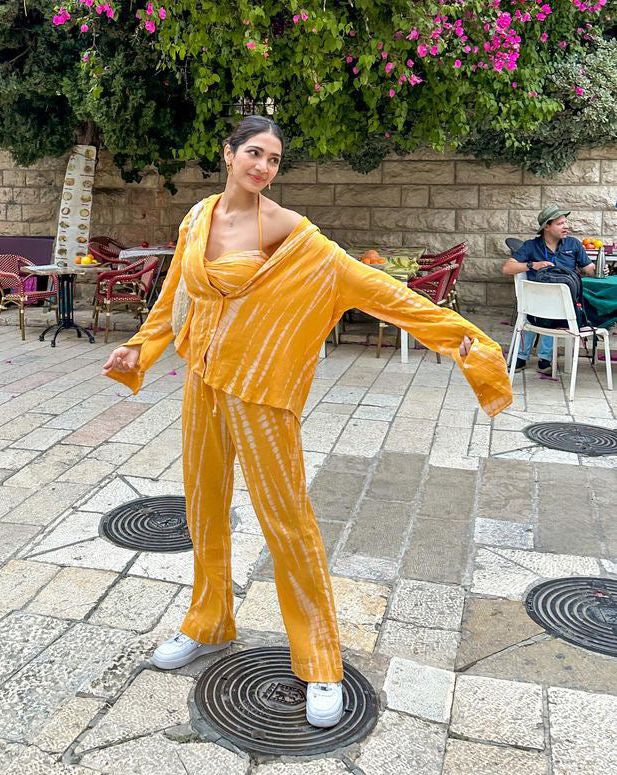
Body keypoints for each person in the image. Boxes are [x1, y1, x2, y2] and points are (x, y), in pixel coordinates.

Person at [103, 115, 513, 729]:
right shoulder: (198, 218)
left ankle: (321, 661)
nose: (263, 166)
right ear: (228, 153)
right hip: (203, 385)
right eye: (254, 153)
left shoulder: (293, 234)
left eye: (273, 159)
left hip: (262, 393)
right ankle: (208, 622)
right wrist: (142, 346)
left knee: (287, 520)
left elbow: (371, 287)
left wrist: (464, 342)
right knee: (203, 507)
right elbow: (176, 298)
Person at [502, 204, 595, 373]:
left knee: (557, 308)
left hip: (565, 303)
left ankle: (544, 358)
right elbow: (507, 268)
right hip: (536, 302)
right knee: (537, 309)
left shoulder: (573, 244)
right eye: (560, 223)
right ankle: (523, 357)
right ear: (547, 226)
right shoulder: (531, 246)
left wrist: (598, 268)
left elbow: (588, 268)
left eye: (566, 222)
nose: (566, 226)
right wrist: (533, 265)